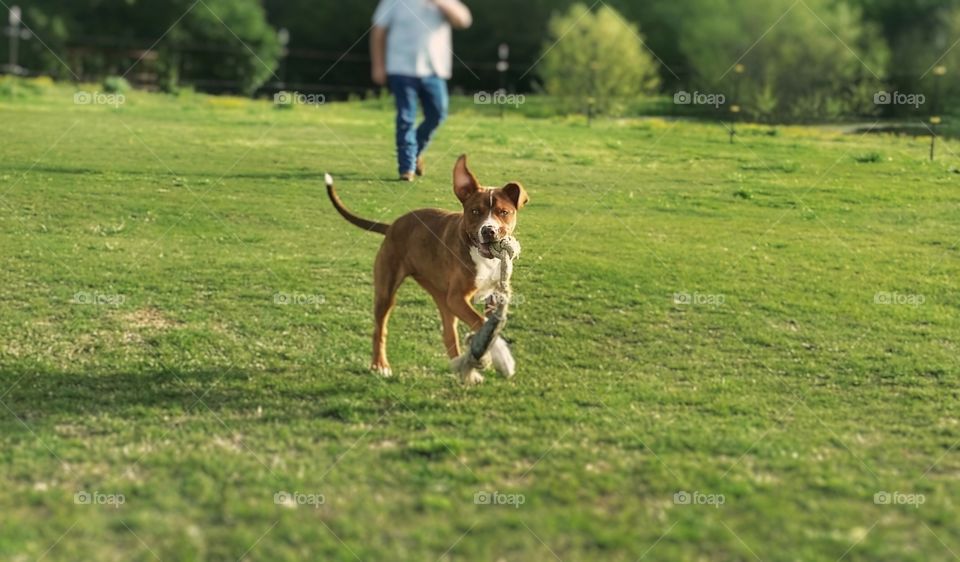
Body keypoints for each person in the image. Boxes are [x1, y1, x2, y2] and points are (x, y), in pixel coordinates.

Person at [371, 0, 472, 181]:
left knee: (437, 114)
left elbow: (463, 21)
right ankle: (407, 168)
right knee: (405, 117)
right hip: (400, 68)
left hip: (434, 70)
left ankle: (415, 151)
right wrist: (378, 65)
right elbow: (378, 31)